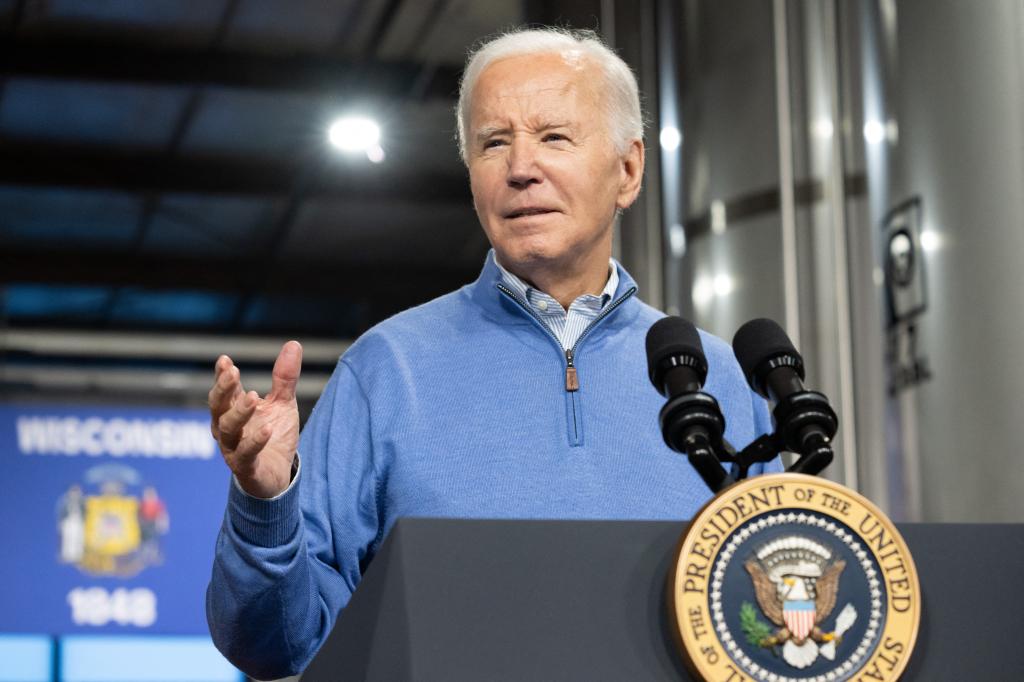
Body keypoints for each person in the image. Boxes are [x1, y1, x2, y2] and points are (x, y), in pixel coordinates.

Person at [206, 27, 781, 679]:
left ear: (628, 169)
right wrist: (264, 504)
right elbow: (271, 645)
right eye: (493, 142)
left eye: (554, 136)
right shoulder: (386, 370)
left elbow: (779, 620)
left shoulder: (716, 378)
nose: (520, 168)